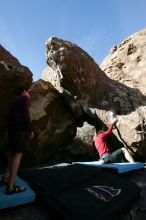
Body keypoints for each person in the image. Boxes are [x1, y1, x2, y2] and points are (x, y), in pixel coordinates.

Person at [0, 86, 34, 194]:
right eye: (28, 92)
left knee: (12, 153)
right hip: (20, 131)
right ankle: (10, 187)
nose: (29, 94)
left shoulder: (13, 102)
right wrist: (30, 130)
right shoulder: (24, 99)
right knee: (18, 156)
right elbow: (26, 115)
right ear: (24, 92)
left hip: (12, 131)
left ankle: (5, 177)